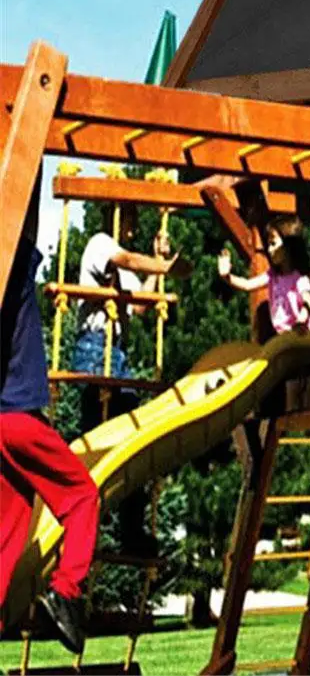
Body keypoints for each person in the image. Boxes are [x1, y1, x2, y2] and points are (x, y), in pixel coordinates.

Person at [1, 178, 99, 654]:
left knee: (8, 530)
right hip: (18, 416)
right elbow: (25, 214)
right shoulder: (12, 266)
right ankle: (66, 592)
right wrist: (34, 163)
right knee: (82, 496)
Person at [70, 204, 191, 558]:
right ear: (115, 218)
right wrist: (163, 265)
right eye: (131, 222)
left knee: (131, 443)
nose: (133, 230)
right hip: (96, 349)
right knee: (96, 440)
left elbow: (138, 305)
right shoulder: (100, 243)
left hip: (115, 351)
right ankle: (83, 525)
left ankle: (129, 530)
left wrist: (158, 262)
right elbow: (128, 260)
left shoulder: (121, 264)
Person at [217, 215, 310, 336]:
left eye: (273, 243)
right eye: (268, 244)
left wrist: (301, 319)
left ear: (288, 246)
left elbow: (307, 299)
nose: (269, 249)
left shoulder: (299, 278)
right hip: (284, 335)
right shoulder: (272, 276)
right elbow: (248, 285)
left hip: (303, 334)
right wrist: (227, 276)